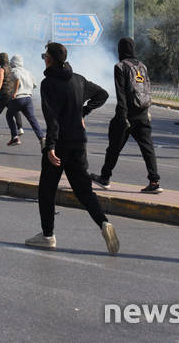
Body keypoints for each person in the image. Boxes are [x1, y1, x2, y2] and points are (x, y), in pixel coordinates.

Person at [25, 42, 118, 254]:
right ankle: (104, 223)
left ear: (49, 59)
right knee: (84, 190)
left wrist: (50, 147)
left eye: (44, 56)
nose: (44, 59)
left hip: (59, 145)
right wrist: (83, 112)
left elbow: (53, 119)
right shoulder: (79, 80)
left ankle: (47, 235)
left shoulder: (48, 83)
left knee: (47, 190)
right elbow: (102, 94)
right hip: (78, 142)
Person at [90, 38, 163, 194]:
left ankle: (105, 177)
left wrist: (122, 117)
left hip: (127, 114)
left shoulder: (120, 66)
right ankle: (154, 181)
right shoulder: (142, 66)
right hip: (143, 112)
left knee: (114, 147)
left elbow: (120, 93)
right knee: (147, 147)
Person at [5, 55, 45, 147]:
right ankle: (41, 137)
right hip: (28, 98)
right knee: (32, 119)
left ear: (13, 63)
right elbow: (34, 85)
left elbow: (14, 81)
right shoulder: (28, 72)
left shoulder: (13, 71)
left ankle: (15, 137)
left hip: (18, 98)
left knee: (9, 115)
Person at [0, 52, 23, 134]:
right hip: (11, 93)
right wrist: (15, 91)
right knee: (15, 111)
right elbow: (17, 79)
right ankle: (20, 128)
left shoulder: (2, 69)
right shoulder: (12, 68)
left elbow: (0, 81)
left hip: (4, 93)